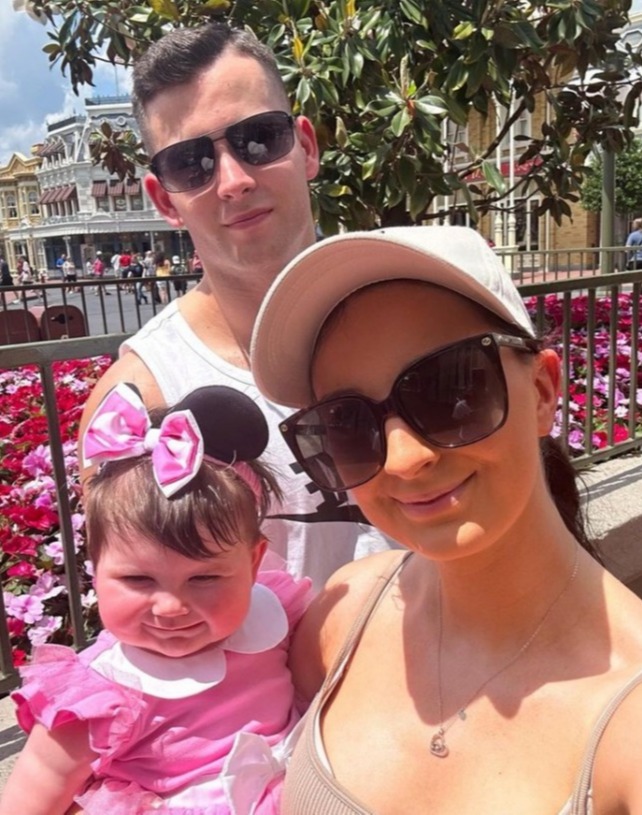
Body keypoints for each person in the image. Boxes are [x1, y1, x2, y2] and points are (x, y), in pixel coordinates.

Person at [250, 225, 642, 814]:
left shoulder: (627, 718)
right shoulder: (344, 614)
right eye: (347, 423)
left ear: (541, 390)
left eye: (450, 391)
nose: (406, 459)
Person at [77, 22, 395, 589]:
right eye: (190, 164)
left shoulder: (413, 311)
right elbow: (148, 621)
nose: (232, 180)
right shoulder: (141, 398)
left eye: (258, 139)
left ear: (306, 146)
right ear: (164, 200)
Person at [0, 383, 312, 815]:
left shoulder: (275, 619)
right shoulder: (103, 693)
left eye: (204, 577)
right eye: (138, 579)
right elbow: (37, 791)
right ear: (94, 564)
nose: (171, 607)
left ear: (254, 563)